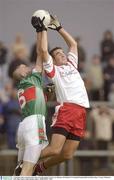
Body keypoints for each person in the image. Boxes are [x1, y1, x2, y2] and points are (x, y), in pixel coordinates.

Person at [31, 15, 90, 175]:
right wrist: (42, 30)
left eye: (62, 52)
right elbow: (43, 51)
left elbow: (73, 44)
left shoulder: (72, 64)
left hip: (81, 112)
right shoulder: (54, 71)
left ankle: (39, 168)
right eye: (58, 54)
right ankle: (24, 161)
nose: (62, 54)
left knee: (67, 154)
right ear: (54, 60)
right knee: (54, 149)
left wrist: (59, 28)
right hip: (67, 110)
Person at [13, 32, 48, 176]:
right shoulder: (31, 79)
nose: (25, 65)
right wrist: (40, 31)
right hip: (34, 122)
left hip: (23, 126)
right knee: (27, 170)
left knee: (21, 169)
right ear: (22, 74)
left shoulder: (24, 85)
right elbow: (40, 53)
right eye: (22, 66)